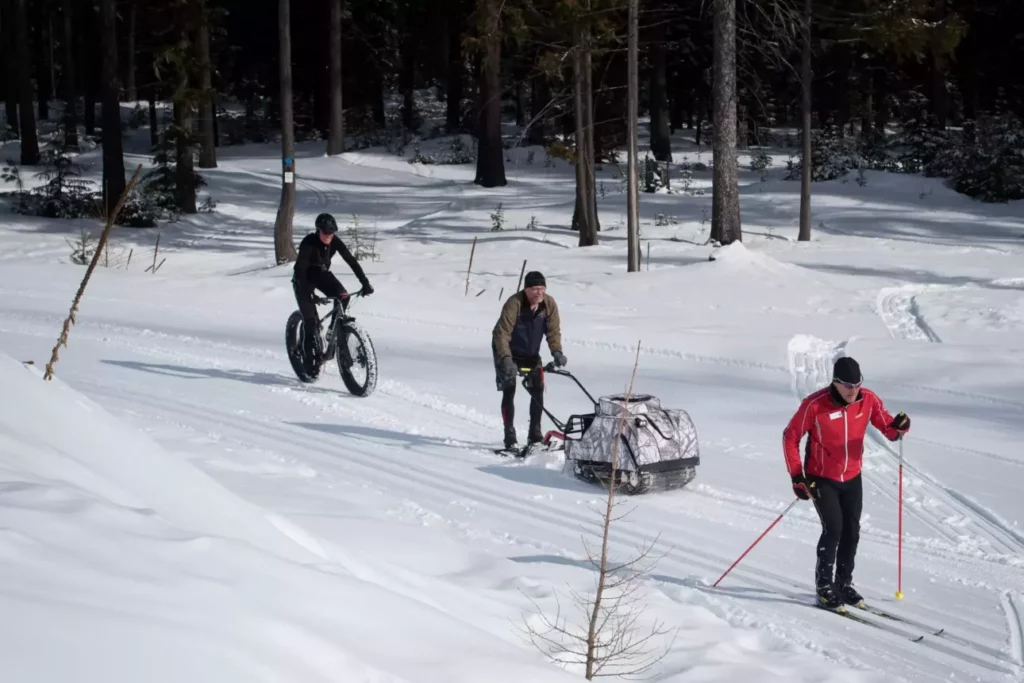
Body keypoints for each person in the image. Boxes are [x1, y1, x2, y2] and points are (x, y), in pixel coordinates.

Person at [782, 356, 911, 609]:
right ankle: (824, 588)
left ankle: (843, 583)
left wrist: (899, 427)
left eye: (857, 384)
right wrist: (797, 477)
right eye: (848, 386)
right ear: (836, 383)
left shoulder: (868, 400)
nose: (854, 390)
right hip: (821, 477)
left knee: (852, 532)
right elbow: (790, 436)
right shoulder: (815, 405)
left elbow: (888, 428)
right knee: (834, 529)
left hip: (852, 477)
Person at [491, 271, 567, 450]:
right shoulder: (514, 303)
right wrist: (506, 359)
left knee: (537, 390)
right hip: (506, 349)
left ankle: (535, 435)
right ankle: (509, 436)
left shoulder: (548, 304)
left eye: (542, 288)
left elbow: (553, 331)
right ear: (526, 289)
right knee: (509, 390)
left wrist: (556, 352)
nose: (538, 293)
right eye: (534, 289)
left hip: (531, 352)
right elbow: (502, 334)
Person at [293, 213, 374, 370]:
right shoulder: (309, 242)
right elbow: (299, 270)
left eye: (332, 233)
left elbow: (351, 260)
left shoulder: (334, 241)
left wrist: (365, 283)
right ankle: (307, 361)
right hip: (302, 280)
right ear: (318, 231)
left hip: (321, 275)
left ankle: (332, 331)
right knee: (310, 323)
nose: (329, 236)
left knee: (343, 297)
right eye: (326, 233)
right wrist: (309, 294)